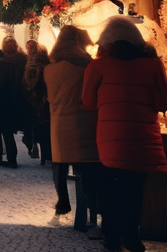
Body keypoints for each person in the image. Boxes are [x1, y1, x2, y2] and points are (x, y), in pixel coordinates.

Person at [83, 16, 167, 252]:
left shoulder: (97, 66)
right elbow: (165, 102)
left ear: (107, 42)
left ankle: (111, 238)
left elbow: (89, 103)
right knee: (134, 191)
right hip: (142, 139)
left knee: (110, 190)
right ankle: (132, 238)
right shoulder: (152, 65)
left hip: (110, 142)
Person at [46, 25, 100, 231]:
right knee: (86, 172)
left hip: (58, 124)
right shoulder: (86, 65)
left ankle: (63, 202)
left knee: (59, 165)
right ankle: (89, 214)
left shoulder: (50, 67)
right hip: (83, 124)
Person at [0, 36, 28, 167]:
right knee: (2, 128)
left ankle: (7, 157)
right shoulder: (20, 59)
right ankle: (4, 156)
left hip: (7, 97)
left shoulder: (4, 61)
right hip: (10, 97)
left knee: (3, 129)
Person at [24, 39, 52, 166]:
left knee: (38, 127)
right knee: (45, 127)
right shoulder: (47, 62)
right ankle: (45, 153)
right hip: (45, 97)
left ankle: (40, 151)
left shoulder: (31, 63)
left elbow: (29, 83)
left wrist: (27, 90)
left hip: (35, 97)